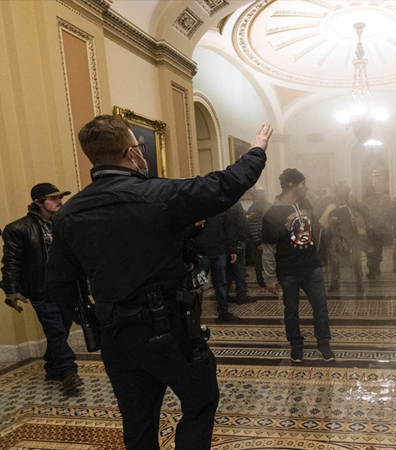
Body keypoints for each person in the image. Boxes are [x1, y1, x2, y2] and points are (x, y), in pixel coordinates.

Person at [45, 115, 272, 450]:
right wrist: (257, 150)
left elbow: (59, 283)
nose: (140, 151)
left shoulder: (68, 213)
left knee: (137, 421)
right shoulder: (160, 193)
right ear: (129, 153)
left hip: (114, 334)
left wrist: (92, 319)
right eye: (138, 146)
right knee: (200, 401)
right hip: (167, 327)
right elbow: (225, 185)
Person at [1, 183, 82, 394]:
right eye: (53, 198)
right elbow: (10, 262)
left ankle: (51, 367)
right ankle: (68, 372)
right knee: (56, 330)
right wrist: (11, 290)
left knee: (61, 331)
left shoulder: (64, 223)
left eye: (60, 197)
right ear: (38, 202)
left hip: (65, 289)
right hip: (41, 290)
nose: (59, 201)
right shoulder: (17, 229)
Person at [262, 168, 334, 364]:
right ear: (293, 186)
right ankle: (296, 345)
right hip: (288, 271)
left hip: (311, 267)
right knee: (291, 310)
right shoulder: (272, 214)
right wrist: (269, 278)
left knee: (320, 306)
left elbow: (316, 227)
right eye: (303, 184)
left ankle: (323, 343)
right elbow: (269, 250)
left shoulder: (305, 203)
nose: (306, 187)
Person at [184, 212, 240, 321]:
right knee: (197, 286)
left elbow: (229, 229)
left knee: (221, 283)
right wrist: (195, 225)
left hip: (219, 251)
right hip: (200, 253)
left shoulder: (222, 209)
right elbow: (184, 232)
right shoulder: (196, 209)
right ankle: (193, 314)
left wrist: (232, 249)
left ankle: (223, 311)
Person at [327, 184, 364, 293]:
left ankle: (338, 283)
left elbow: (329, 227)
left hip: (345, 239)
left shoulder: (337, 210)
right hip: (346, 239)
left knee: (339, 261)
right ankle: (357, 284)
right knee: (343, 260)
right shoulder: (351, 209)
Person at [225, 201, 256, 304]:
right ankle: (242, 295)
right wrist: (242, 238)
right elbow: (239, 224)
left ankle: (224, 294)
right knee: (239, 269)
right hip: (237, 240)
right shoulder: (236, 204)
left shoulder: (226, 203)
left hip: (229, 241)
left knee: (229, 270)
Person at [361, 186, 388, 280]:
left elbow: (363, 216)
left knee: (371, 251)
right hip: (381, 230)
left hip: (371, 231)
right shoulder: (381, 201)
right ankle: (378, 269)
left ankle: (371, 272)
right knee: (379, 250)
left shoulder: (364, 203)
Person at [247, 188, 271, 288]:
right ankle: (261, 281)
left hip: (267, 238)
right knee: (259, 262)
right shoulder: (254, 209)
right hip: (259, 239)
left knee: (268, 261)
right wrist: (257, 242)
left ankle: (267, 280)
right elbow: (252, 226)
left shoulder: (267, 206)